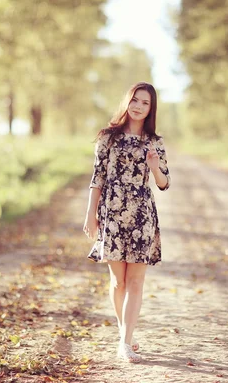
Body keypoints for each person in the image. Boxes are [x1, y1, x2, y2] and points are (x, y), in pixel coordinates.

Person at [83, 82, 171, 363]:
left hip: (142, 215)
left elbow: (164, 183)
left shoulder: (155, 142)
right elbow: (97, 179)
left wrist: (155, 167)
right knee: (117, 282)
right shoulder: (107, 138)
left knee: (136, 281)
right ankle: (125, 334)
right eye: (135, 100)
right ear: (127, 101)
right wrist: (90, 215)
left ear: (150, 109)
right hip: (112, 212)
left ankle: (125, 341)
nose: (139, 107)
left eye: (145, 103)